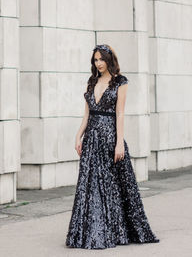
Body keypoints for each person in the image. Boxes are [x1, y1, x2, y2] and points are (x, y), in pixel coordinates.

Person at [65, 44, 160, 249]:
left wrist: (119, 143)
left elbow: (120, 114)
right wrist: (78, 136)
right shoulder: (91, 82)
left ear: (109, 60)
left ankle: (113, 231)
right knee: (90, 186)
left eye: (101, 59)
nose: (98, 63)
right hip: (91, 140)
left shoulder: (120, 82)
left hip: (110, 138)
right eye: (95, 60)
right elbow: (87, 114)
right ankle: (89, 233)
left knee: (112, 187)